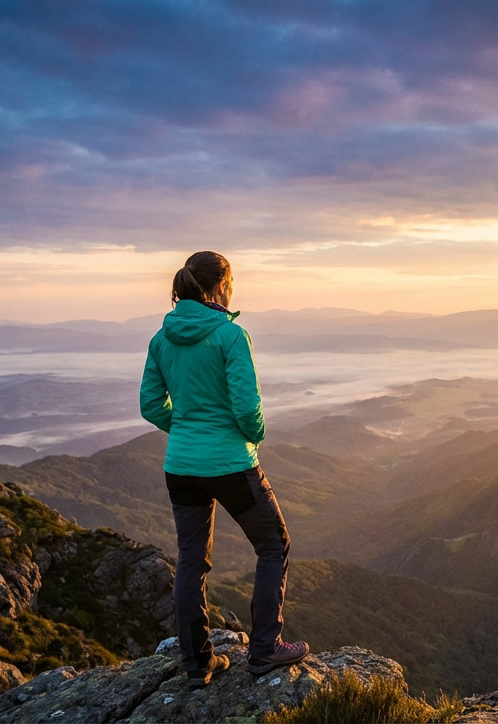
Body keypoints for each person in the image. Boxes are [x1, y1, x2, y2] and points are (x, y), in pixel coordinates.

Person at [139, 251, 308, 687]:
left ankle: (197, 664)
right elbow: (246, 406)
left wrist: (186, 429)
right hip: (232, 463)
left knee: (191, 562)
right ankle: (266, 649)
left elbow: (150, 405)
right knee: (274, 545)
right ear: (220, 286)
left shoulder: (161, 339)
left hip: (181, 466)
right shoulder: (231, 337)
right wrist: (253, 436)